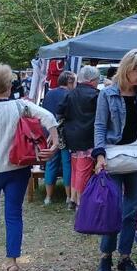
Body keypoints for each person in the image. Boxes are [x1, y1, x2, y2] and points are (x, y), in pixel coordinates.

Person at [0, 64, 59, 271]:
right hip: (17, 167)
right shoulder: (20, 106)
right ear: (9, 86)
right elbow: (48, 117)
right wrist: (54, 140)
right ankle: (11, 263)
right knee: (13, 214)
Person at [92, 49, 137, 271]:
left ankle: (125, 257)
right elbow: (100, 126)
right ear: (127, 69)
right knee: (113, 210)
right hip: (113, 157)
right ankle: (105, 256)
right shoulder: (108, 94)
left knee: (130, 212)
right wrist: (99, 155)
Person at [59, 65, 101, 210]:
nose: (97, 82)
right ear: (91, 80)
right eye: (97, 79)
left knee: (76, 169)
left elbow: (60, 112)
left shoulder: (70, 94)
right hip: (88, 137)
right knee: (83, 171)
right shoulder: (96, 95)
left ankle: (73, 198)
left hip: (71, 137)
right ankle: (81, 204)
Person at [42, 70, 75, 206]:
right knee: (67, 164)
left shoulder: (49, 94)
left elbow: (43, 114)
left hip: (50, 134)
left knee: (51, 164)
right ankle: (68, 198)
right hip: (65, 135)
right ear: (69, 82)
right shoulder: (70, 95)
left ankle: (48, 197)